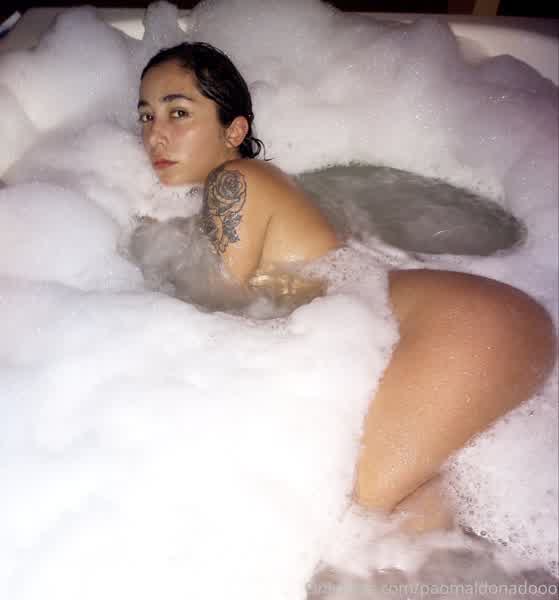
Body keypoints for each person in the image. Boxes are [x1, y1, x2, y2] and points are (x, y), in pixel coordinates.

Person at [137, 42, 556, 532]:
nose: (155, 136)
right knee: (385, 526)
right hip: (471, 326)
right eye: (145, 117)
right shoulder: (248, 188)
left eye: (178, 113)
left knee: (356, 519)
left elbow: (218, 302)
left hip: (465, 329)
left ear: (234, 130)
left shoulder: (234, 181)